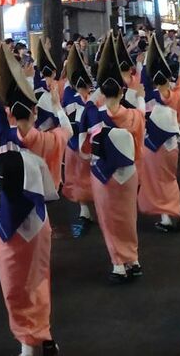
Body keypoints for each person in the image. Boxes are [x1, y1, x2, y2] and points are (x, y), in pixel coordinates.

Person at [0, 45, 65, 356]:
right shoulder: (44, 140)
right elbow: (66, 133)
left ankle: (28, 342)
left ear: (5, 112)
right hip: (36, 219)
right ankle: (40, 334)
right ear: (32, 112)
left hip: (3, 219)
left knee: (13, 283)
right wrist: (55, 105)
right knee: (37, 280)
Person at [80, 34, 146, 283]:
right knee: (128, 216)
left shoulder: (92, 115)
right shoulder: (134, 116)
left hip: (102, 173)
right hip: (128, 172)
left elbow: (83, 148)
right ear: (122, 90)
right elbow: (140, 135)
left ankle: (119, 264)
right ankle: (134, 259)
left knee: (108, 219)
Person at [137, 35, 180, 232]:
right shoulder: (178, 95)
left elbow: (143, 85)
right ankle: (177, 212)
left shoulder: (148, 98)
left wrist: (141, 66)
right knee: (170, 180)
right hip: (172, 145)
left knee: (155, 181)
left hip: (152, 145)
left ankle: (166, 217)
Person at [61, 44, 97, 237]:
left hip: (75, 145)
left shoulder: (68, 97)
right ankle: (94, 207)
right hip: (92, 146)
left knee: (77, 177)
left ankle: (85, 210)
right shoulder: (95, 99)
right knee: (93, 178)